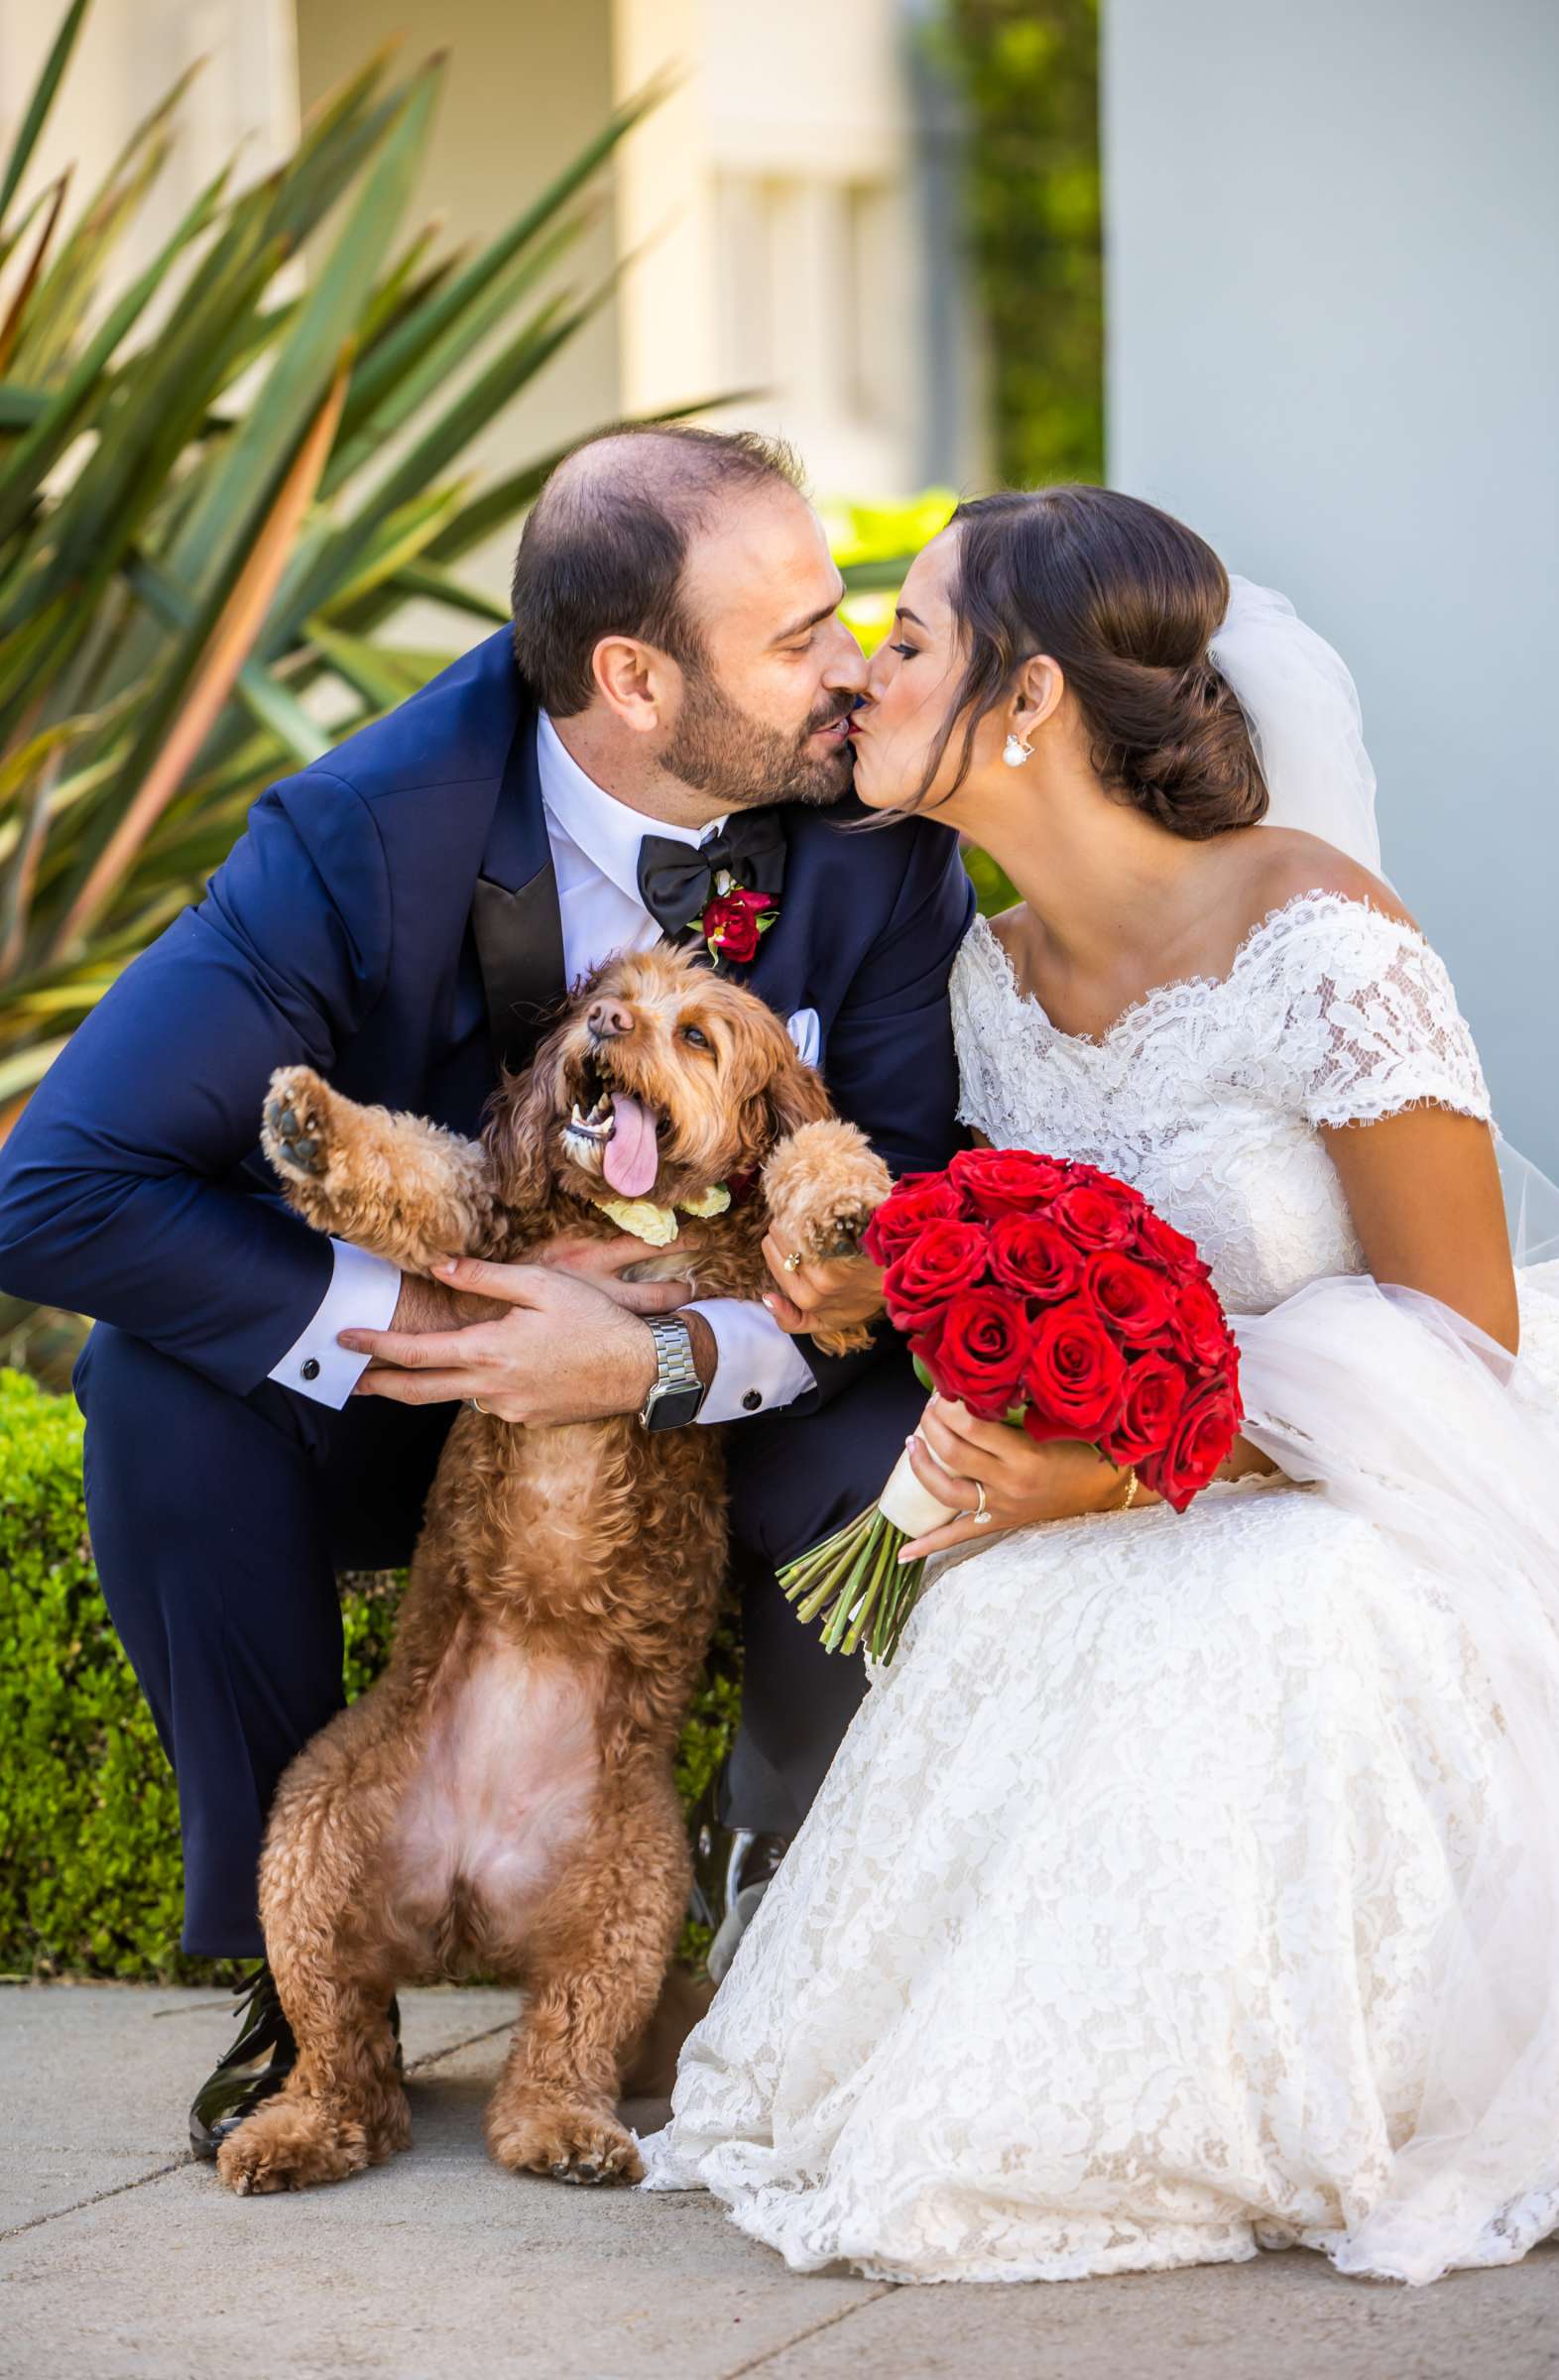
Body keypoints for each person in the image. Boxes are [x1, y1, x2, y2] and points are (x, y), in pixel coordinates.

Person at [642, 485, 1559, 2286]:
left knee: (1271, 1614)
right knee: (1012, 1618)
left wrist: (1132, 1467)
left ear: (1026, 706)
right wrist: (875, 1285)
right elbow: (1015, 1267)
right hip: (1117, 1464)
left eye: (906, 641)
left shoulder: (1323, 937)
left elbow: (1465, 1333)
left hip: (1376, 1479)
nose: (861, 678)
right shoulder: (982, 980)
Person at [0, 426, 973, 2153]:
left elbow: (902, 1219)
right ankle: (299, 1985)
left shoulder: (870, 838)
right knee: (156, 1393)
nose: (850, 665)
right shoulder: (356, 834)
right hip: (427, 1406)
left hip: (729, 1382)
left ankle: (781, 1907)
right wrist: (434, 1329)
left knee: (886, 1434)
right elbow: (54, 1189)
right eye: (802, 631)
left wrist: (664, 1356)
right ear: (633, 679)